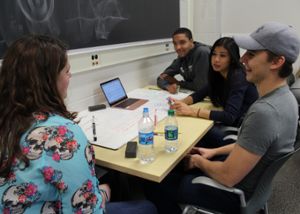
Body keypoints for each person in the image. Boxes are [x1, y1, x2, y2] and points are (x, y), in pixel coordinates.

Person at [146, 22, 300, 213]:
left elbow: (228, 177)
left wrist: (199, 162)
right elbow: (253, 143)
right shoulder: (286, 98)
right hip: (252, 182)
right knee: (180, 164)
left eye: (251, 54)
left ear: (276, 62)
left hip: (236, 193)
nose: (242, 59)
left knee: (155, 182)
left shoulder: (265, 112)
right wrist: (212, 152)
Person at [0, 35, 157, 214]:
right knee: (146, 207)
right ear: (49, 81)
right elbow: (86, 209)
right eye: (67, 71)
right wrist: (103, 194)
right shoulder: (62, 136)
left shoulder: (6, 121)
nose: (70, 76)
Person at [171, 37, 258, 147]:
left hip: (244, 129)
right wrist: (181, 102)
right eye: (214, 54)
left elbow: (229, 116)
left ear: (232, 58)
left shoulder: (238, 76)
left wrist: (193, 111)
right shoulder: (219, 73)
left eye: (222, 55)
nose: (216, 59)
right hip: (235, 122)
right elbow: (201, 93)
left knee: (195, 134)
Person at [157, 27, 210, 93]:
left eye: (182, 42)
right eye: (175, 43)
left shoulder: (202, 52)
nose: (178, 47)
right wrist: (168, 86)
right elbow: (162, 77)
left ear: (191, 41)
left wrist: (178, 83)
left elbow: (200, 87)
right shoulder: (182, 56)